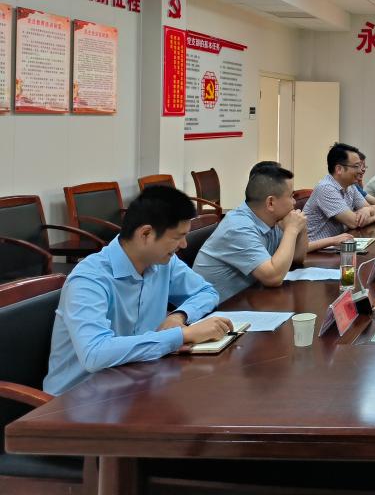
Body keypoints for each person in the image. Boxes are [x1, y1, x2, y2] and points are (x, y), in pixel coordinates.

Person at [44, 186, 231, 395]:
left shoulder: (163, 262)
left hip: (135, 383)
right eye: (178, 237)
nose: (184, 244)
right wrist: (182, 335)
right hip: (78, 399)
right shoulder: (90, 279)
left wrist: (179, 316)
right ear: (146, 234)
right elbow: (95, 353)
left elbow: (206, 292)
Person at [193, 164, 308, 303]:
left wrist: (301, 228)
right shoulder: (238, 227)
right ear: (270, 203)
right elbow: (273, 278)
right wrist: (292, 230)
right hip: (213, 310)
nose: (294, 202)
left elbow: (296, 258)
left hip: (244, 301)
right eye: (291, 196)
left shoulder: (271, 219)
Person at [304, 143, 375, 242]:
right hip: (317, 249)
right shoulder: (325, 188)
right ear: (339, 169)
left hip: (338, 243)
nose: (361, 171)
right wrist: (368, 212)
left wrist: (367, 210)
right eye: (356, 166)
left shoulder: (351, 186)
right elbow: (354, 223)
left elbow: (374, 211)